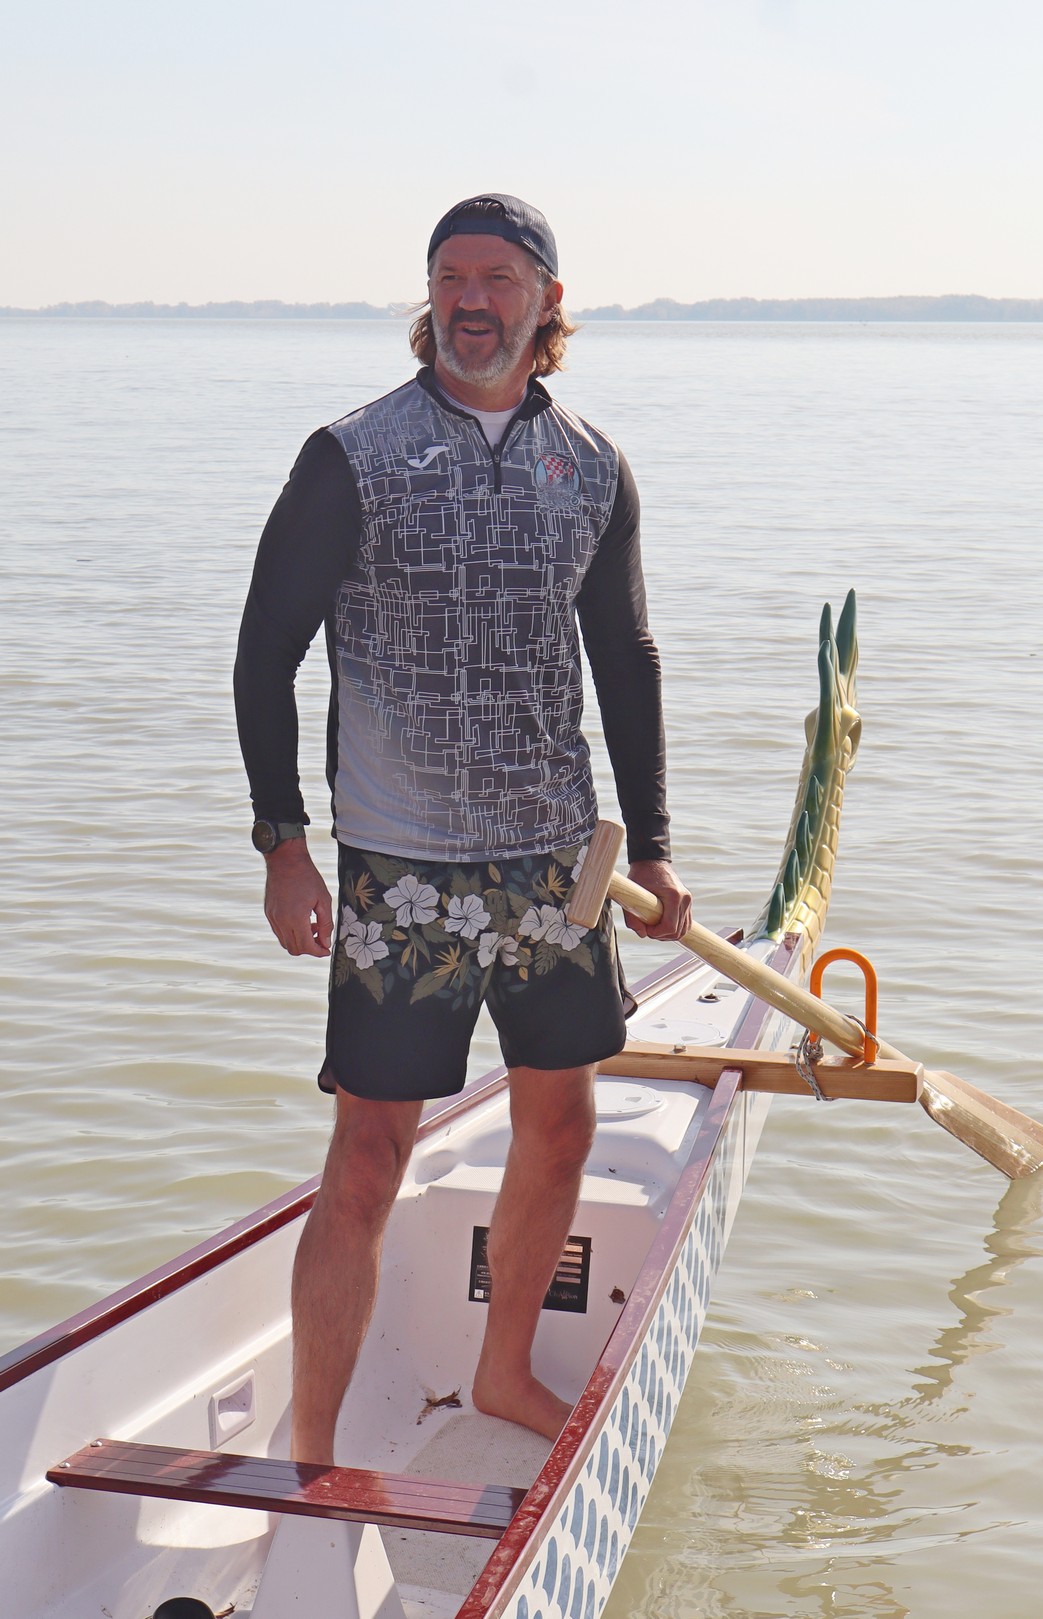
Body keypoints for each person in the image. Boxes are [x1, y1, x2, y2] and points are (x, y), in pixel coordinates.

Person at [233, 193, 690, 1465]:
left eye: (496, 277)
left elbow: (626, 657)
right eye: (449, 276)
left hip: (555, 863)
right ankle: (316, 1450)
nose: (469, 299)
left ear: (549, 301)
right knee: (368, 1152)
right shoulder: (354, 454)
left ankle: (502, 1371)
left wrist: (653, 842)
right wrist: (282, 840)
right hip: (402, 871)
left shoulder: (590, 464)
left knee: (563, 1126)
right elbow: (265, 653)